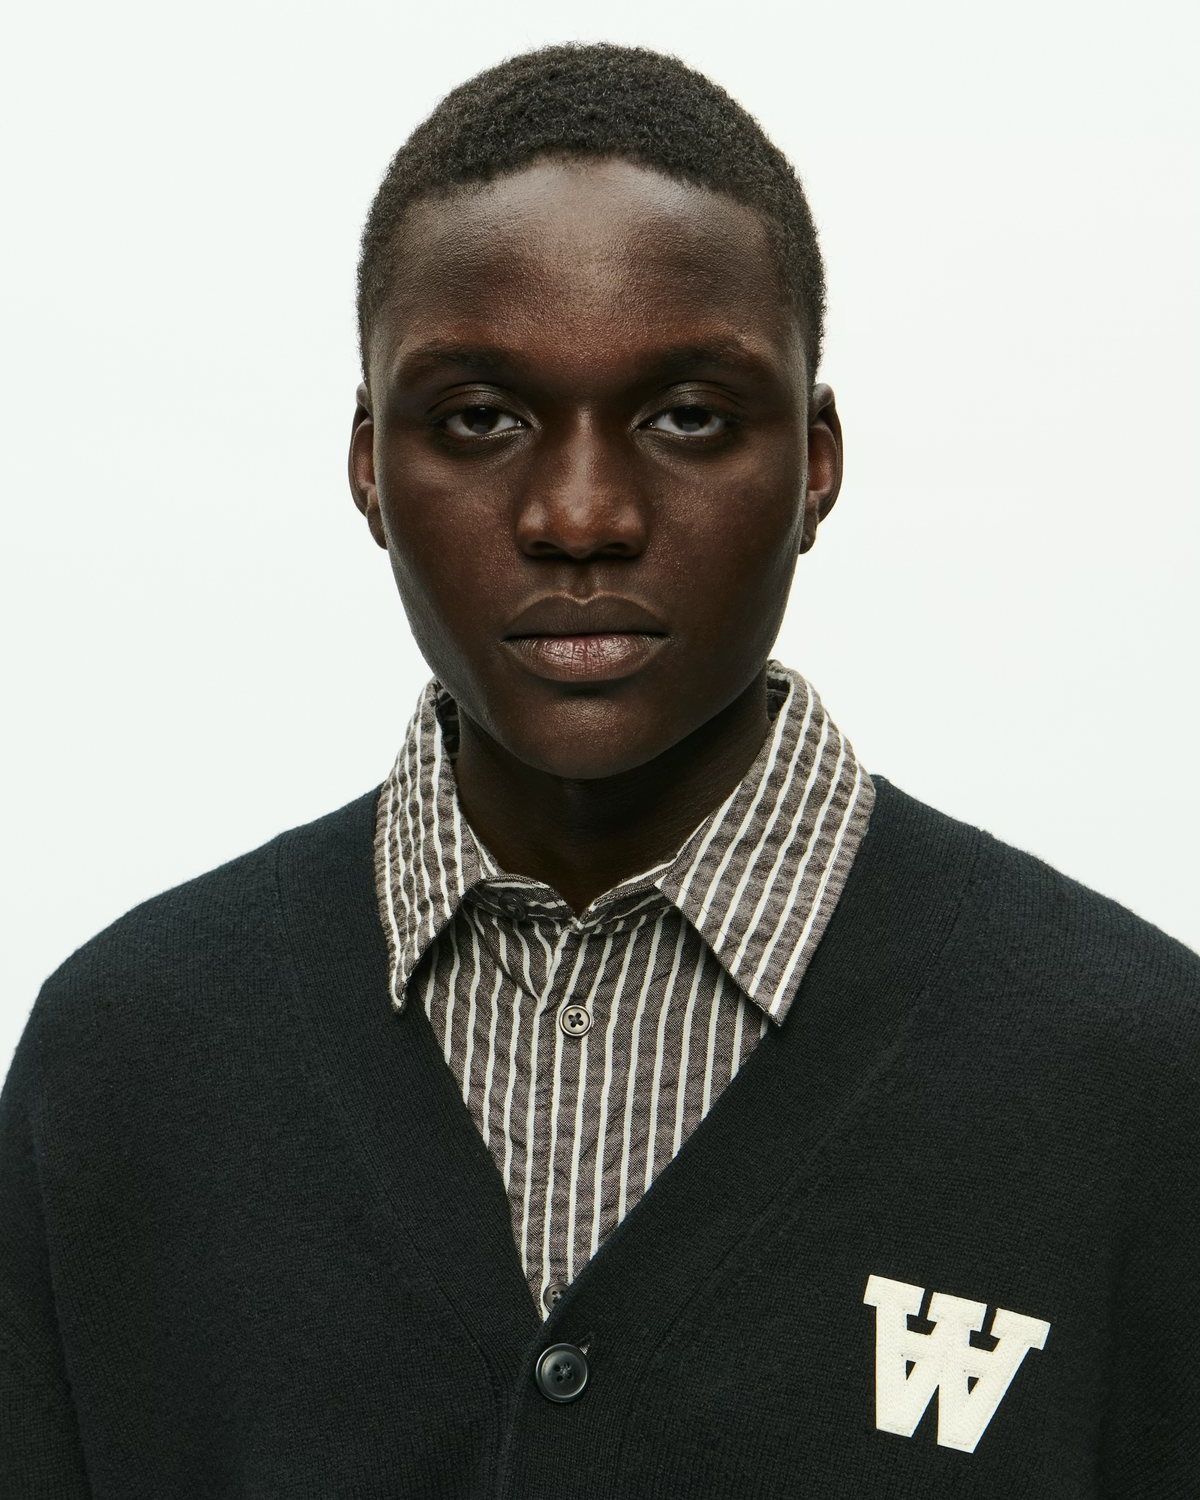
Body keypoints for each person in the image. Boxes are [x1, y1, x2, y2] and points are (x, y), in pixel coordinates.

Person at [1, 42, 1196, 1499]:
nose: (580, 516)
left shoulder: (1137, 1081)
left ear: (816, 463)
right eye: (479, 418)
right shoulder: (125, 1070)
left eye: (689, 416)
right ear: (369, 463)